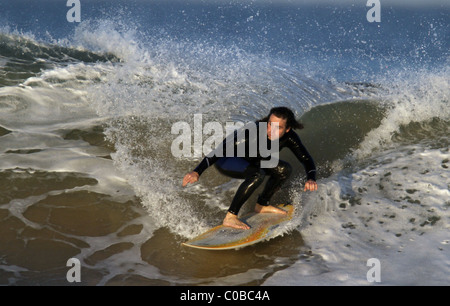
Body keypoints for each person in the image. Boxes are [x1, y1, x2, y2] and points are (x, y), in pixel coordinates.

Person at [182, 107, 318, 230]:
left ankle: (262, 205)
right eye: (270, 124)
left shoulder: (290, 137)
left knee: (284, 169)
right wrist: (197, 171)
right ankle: (230, 217)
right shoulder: (252, 132)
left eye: (279, 127)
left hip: (254, 160)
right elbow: (220, 150)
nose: (271, 130)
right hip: (228, 159)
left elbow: (306, 158)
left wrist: (311, 178)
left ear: (287, 129)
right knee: (257, 174)